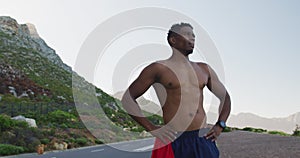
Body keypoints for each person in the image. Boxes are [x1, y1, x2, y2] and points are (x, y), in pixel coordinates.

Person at [121, 22, 231, 158]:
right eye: (187, 34)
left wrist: (220, 125)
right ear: (173, 40)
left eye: (193, 36)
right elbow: (128, 99)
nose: (192, 38)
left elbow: (225, 98)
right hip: (173, 139)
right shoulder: (158, 68)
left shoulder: (204, 69)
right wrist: (152, 128)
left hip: (202, 138)